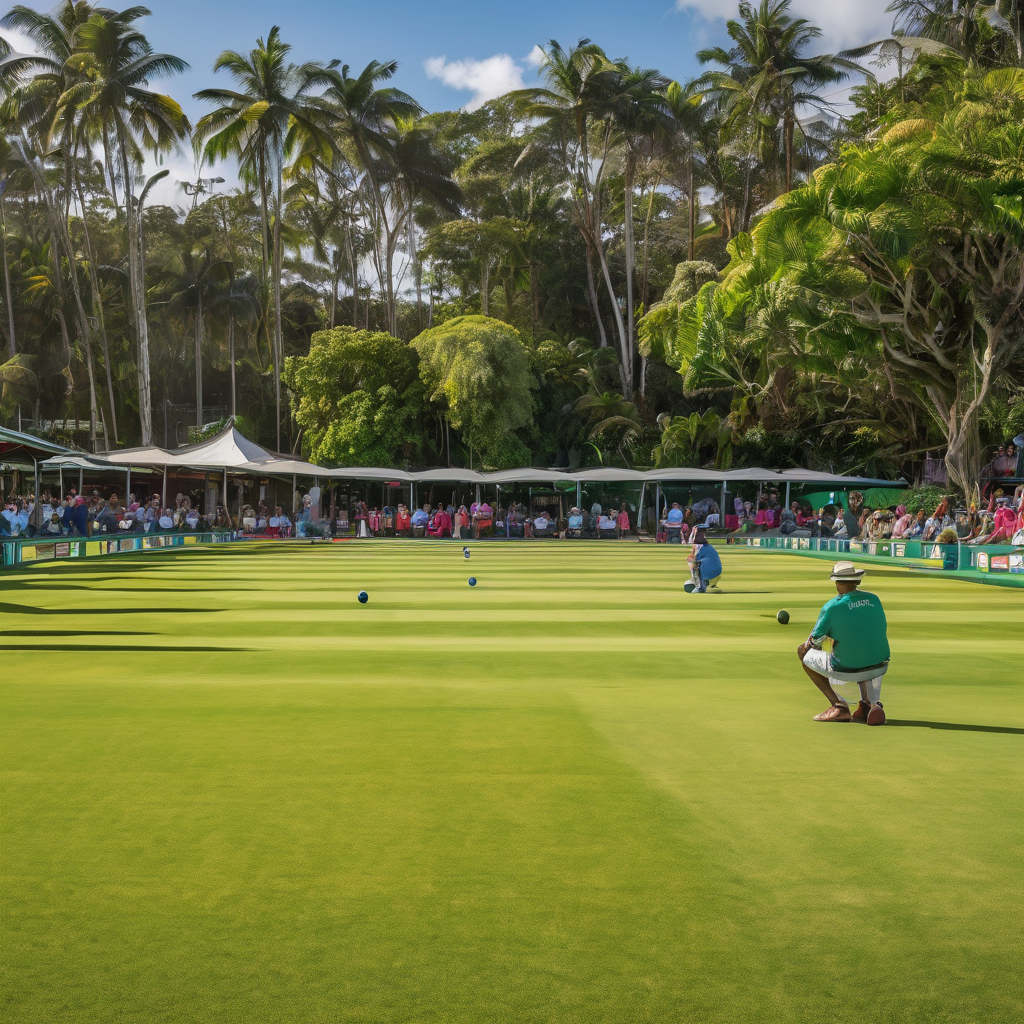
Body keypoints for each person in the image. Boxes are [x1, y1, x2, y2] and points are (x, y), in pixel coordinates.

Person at [798, 561, 890, 725]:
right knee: (863, 648)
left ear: (837, 582)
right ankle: (869, 704)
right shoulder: (874, 599)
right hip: (880, 665)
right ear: (857, 581)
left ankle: (839, 706)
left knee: (802, 652)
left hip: (848, 667)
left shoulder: (832, 606)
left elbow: (813, 641)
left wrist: (828, 641)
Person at [687, 523, 723, 593]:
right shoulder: (707, 546)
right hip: (717, 571)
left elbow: (695, 561)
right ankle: (711, 585)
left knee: (692, 563)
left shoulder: (699, 547)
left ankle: (699, 586)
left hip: (708, 571)